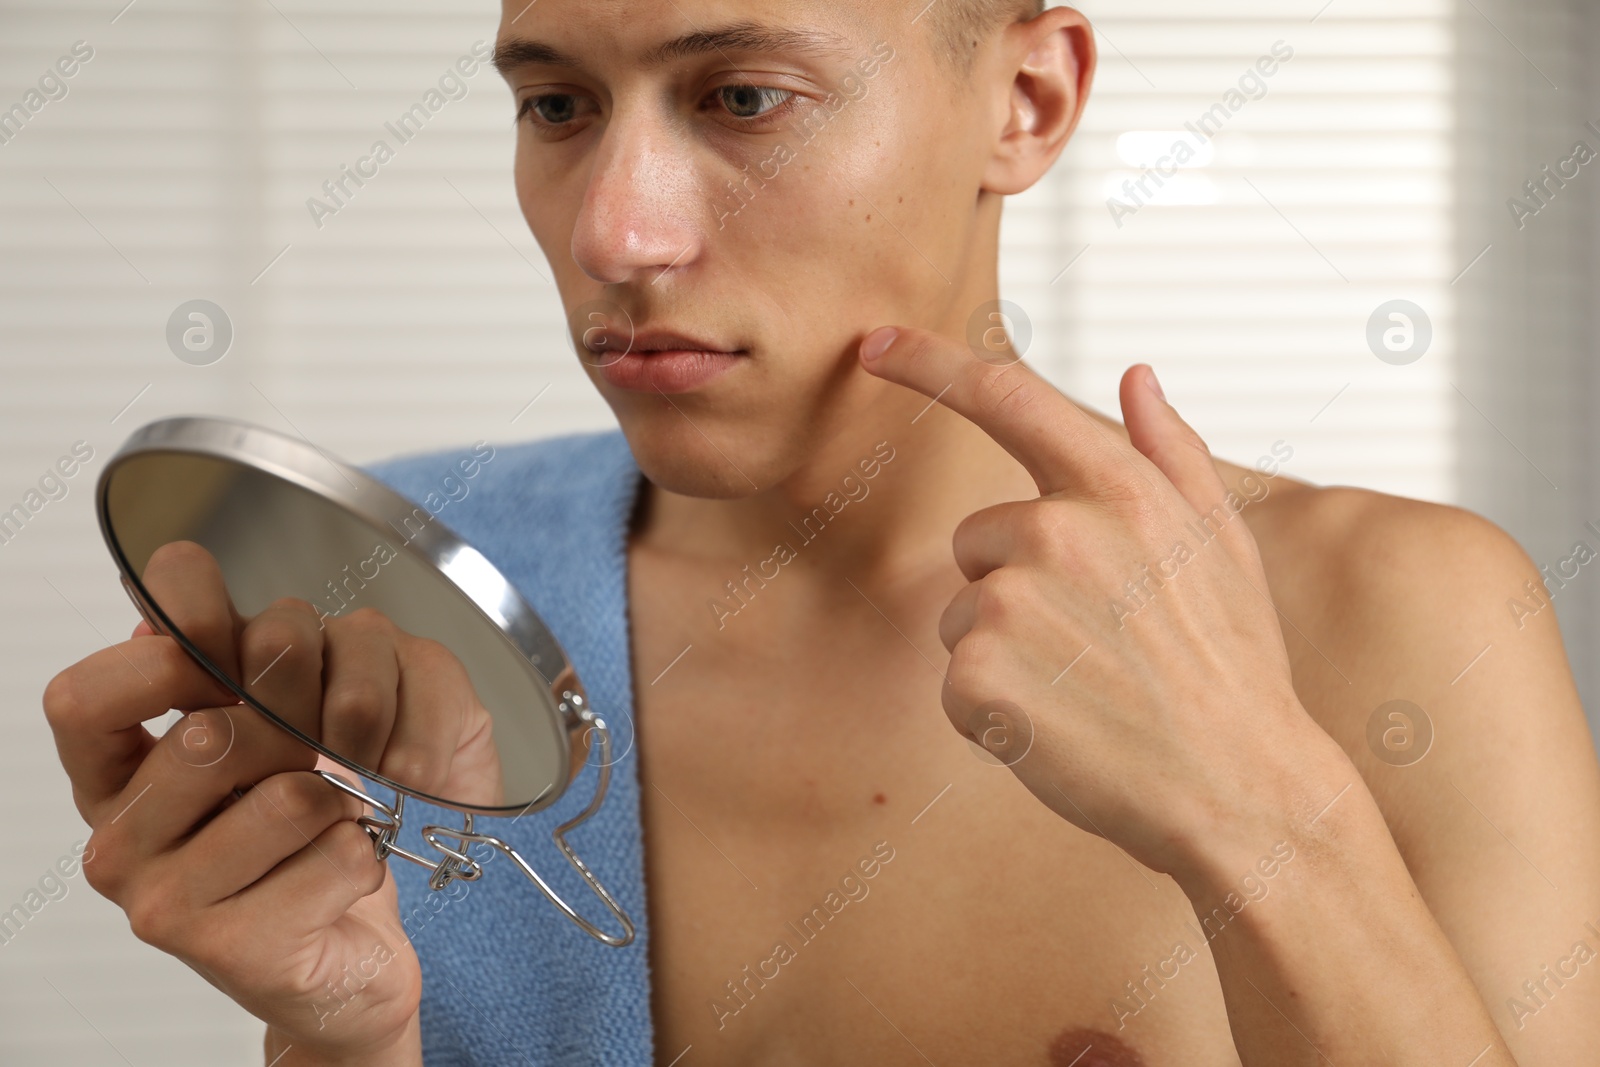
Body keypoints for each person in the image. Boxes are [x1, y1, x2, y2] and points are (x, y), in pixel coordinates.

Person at [42, 1, 1600, 1064]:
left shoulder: (1400, 617)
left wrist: (1267, 813)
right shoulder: (413, 605)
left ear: (1028, 97)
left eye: (741, 97)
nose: (614, 231)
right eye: (556, 105)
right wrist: (343, 1040)